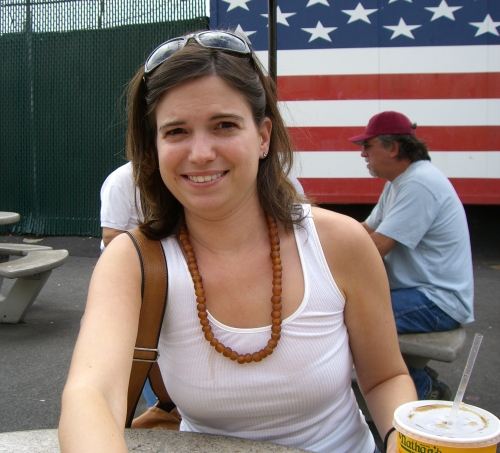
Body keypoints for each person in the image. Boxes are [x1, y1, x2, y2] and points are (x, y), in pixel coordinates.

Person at [59, 31, 416, 453]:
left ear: (263, 136)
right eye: (176, 131)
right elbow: (91, 394)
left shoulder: (340, 242)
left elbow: (385, 377)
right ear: (153, 147)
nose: (201, 153)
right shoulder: (132, 260)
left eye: (224, 125)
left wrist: (405, 442)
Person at [349, 111, 474, 401]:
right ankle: (409, 374)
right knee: (349, 308)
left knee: (351, 319)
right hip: (421, 293)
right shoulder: (400, 181)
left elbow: (374, 248)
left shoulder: (419, 183)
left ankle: (421, 387)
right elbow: (363, 231)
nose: (363, 154)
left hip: (438, 301)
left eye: (367, 146)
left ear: (393, 147)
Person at [99, 161, 157, 408]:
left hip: (160, 267)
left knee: (161, 337)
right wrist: (159, 238)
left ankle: (162, 406)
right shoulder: (121, 180)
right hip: (132, 269)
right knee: (142, 340)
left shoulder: (169, 174)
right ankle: (155, 407)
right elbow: (110, 236)